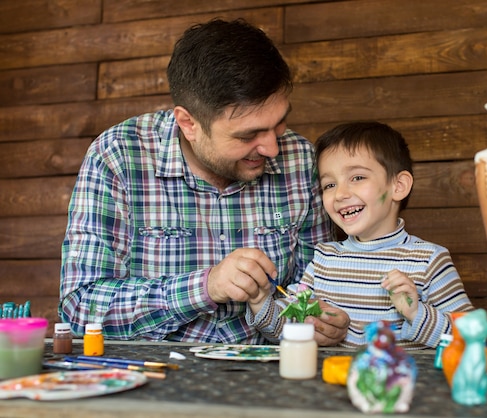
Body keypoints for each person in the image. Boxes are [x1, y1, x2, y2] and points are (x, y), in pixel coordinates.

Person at [59, 18, 349, 346]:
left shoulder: (300, 158)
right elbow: (81, 309)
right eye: (249, 135)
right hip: (156, 379)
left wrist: (324, 320)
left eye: (280, 123)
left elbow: (317, 289)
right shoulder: (119, 156)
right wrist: (205, 287)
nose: (272, 148)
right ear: (188, 123)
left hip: (272, 376)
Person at [247, 121, 474, 348]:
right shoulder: (324, 259)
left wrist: (417, 314)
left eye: (357, 178)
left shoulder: (429, 259)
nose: (340, 194)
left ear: (398, 186)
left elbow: (472, 340)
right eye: (329, 185)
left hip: (400, 382)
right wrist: (260, 302)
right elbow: (287, 328)